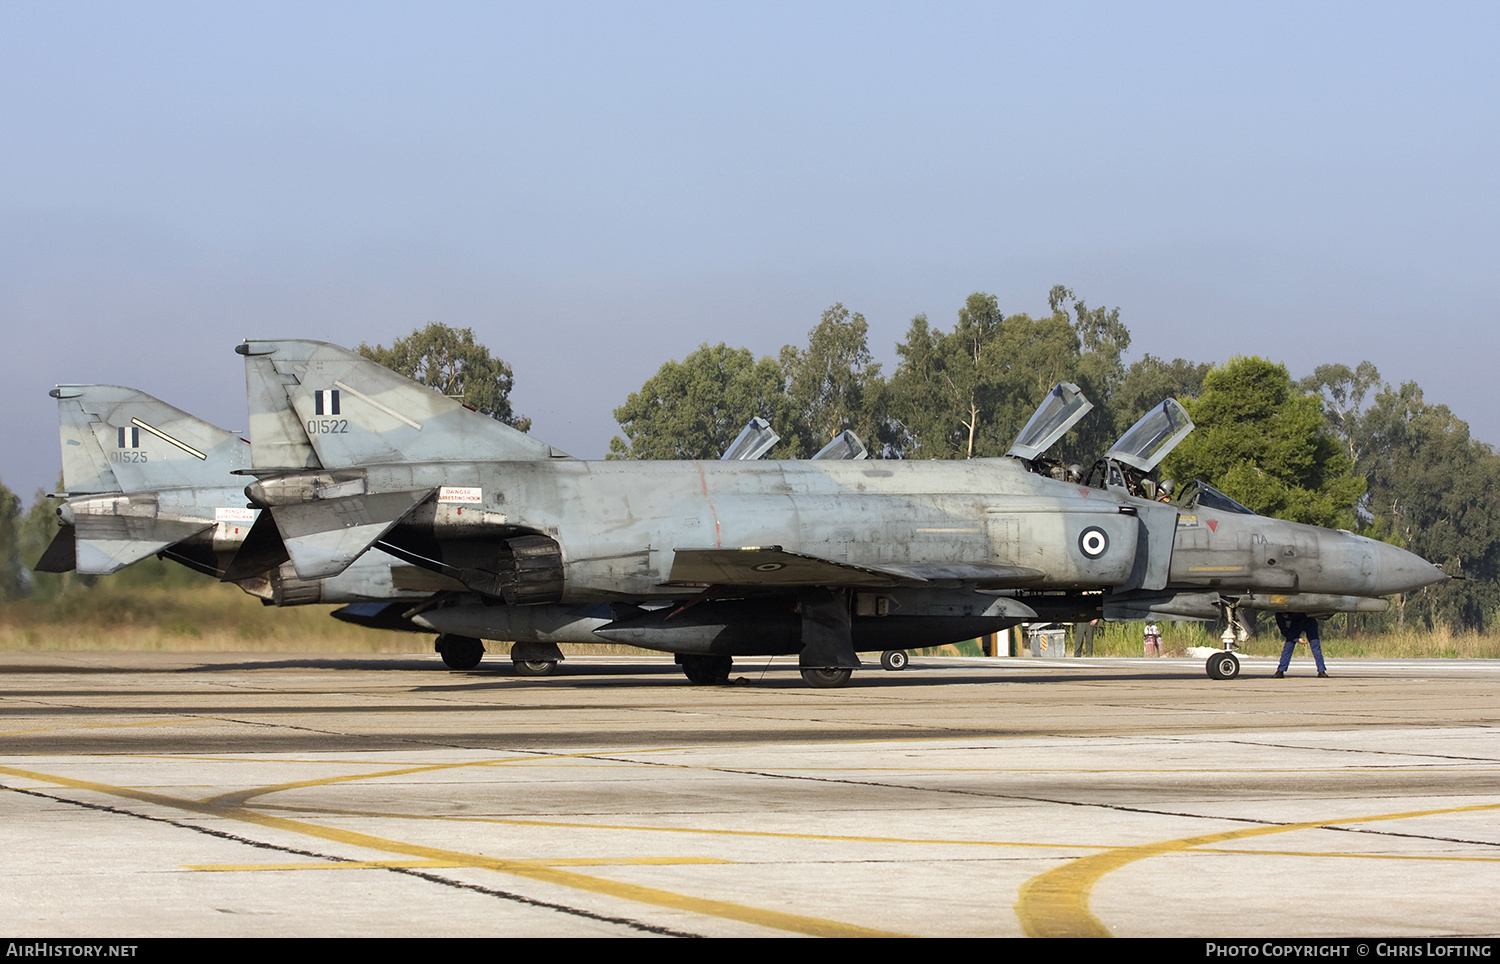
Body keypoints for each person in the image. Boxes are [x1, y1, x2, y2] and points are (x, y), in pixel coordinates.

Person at [1273, 612, 1328, 678]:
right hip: (1296, 622)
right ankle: (1281, 670)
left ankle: (1321, 670)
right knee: (1289, 645)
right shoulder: (1279, 615)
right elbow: (1284, 632)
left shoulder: (1279, 613)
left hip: (1309, 620)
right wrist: (1297, 639)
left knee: (1315, 645)